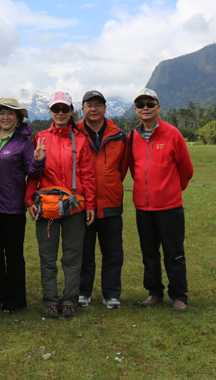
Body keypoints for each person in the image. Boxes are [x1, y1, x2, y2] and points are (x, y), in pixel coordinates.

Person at [25, 91, 97, 319]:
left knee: (72, 256)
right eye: (56, 109)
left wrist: (91, 204)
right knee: (47, 256)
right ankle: (50, 301)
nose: (60, 113)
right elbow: (32, 174)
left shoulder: (81, 140)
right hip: (46, 207)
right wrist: (29, 200)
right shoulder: (40, 138)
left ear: (71, 111)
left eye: (64, 109)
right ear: (50, 112)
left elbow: (87, 175)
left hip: (74, 207)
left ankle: (69, 301)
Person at [126, 88, 193, 313]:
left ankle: (178, 295)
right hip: (143, 208)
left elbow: (186, 170)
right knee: (149, 253)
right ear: (136, 110)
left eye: (150, 103)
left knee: (174, 252)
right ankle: (154, 292)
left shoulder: (173, 134)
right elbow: (134, 170)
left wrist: (171, 190)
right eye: (141, 104)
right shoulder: (132, 136)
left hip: (170, 207)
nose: (145, 107)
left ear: (158, 107)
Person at [0, 98, 45, 314]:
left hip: (13, 208)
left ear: (18, 118)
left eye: (11, 113)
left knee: (14, 255)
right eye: (2, 113)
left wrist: (38, 160)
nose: (6, 117)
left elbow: (33, 173)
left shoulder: (24, 142)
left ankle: (15, 300)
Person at [76, 90, 128, 309]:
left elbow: (122, 169)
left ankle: (111, 294)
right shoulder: (74, 133)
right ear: (83, 109)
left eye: (98, 104)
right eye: (89, 104)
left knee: (113, 253)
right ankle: (83, 292)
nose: (94, 108)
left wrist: (110, 184)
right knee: (83, 252)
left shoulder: (119, 135)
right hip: (82, 204)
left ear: (106, 108)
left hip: (111, 203)